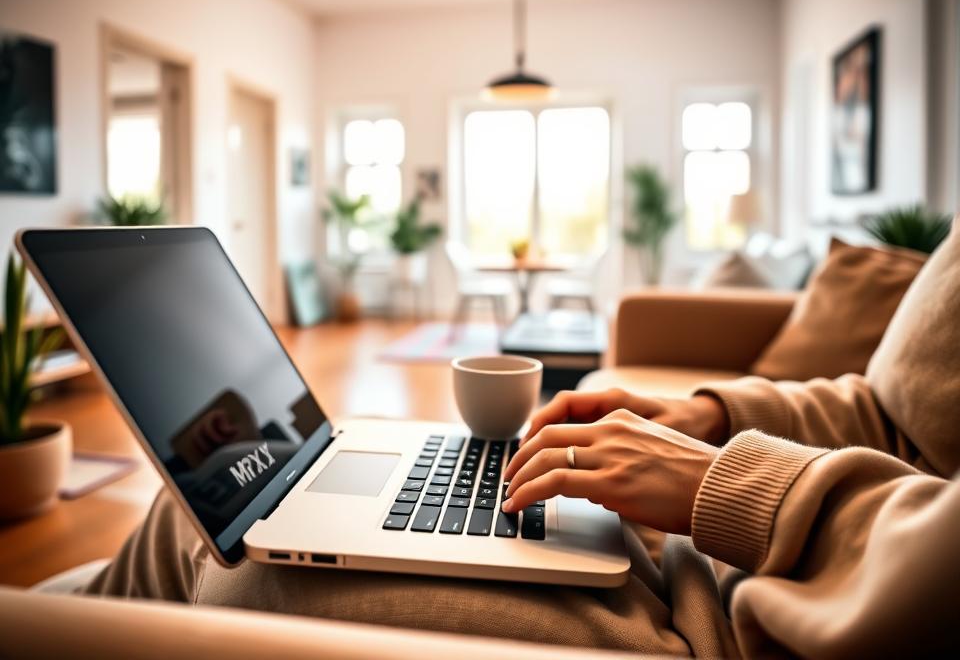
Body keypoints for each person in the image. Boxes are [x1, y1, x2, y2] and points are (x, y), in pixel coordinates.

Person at [84, 220, 960, 658]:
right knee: (234, 501)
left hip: (753, 614)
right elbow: (889, 412)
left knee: (227, 555)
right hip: (785, 536)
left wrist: (725, 487)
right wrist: (716, 419)